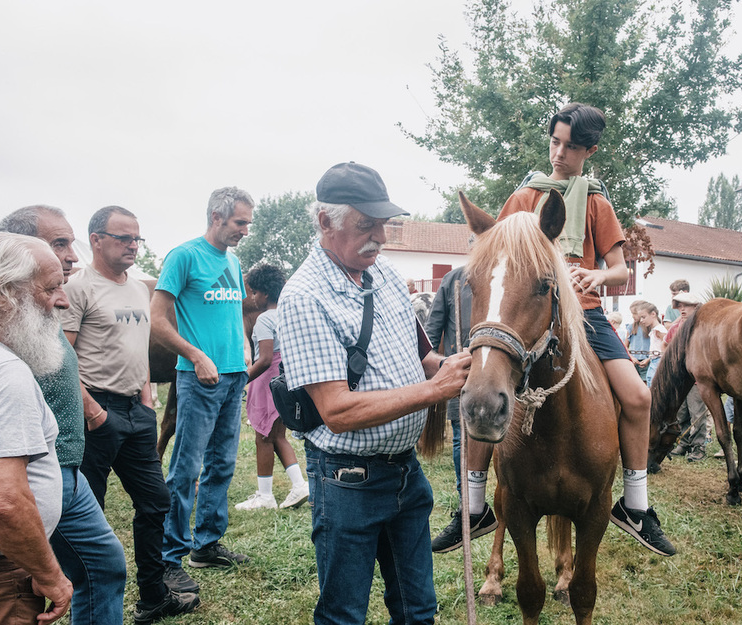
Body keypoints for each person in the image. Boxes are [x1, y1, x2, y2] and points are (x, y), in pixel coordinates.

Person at [434, 103, 676, 557]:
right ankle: (474, 506)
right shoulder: (523, 197)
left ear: (590, 151)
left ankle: (635, 505)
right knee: (481, 387)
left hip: (584, 313)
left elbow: (620, 269)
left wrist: (597, 275)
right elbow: (499, 256)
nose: (559, 153)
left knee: (638, 397)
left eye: (571, 147)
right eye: (555, 142)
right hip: (527, 312)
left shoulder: (598, 202)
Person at [277, 162, 471, 625]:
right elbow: (338, 411)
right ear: (325, 222)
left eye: (383, 224)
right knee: (344, 615)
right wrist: (434, 390)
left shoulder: (383, 274)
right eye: (367, 225)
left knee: (418, 610)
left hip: (405, 471)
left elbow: (422, 355)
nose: (380, 237)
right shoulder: (304, 296)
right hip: (347, 481)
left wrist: (459, 368)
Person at [61, 206, 200, 622]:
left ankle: (153, 596)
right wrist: (92, 411)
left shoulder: (140, 289)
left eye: (137, 239)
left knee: (156, 503)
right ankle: (84, 597)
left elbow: (137, 348)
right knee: (91, 510)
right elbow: (62, 357)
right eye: (123, 238)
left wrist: (146, 401)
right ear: (96, 239)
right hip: (95, 412)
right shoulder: (78, 287)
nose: (133, 246)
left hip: (135, 412)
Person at [0, 206, 128, 624]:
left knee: (103, 563)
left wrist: (91, 409)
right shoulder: (5, 321)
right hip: (34, 471)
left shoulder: (42, 306)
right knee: (37, 585)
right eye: (59, 244)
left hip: (65, 466)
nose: (71, 255)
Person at [151, 187, 253, 594]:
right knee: (186, 469)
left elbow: (234, 313)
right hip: (199, 379)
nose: (245, 230)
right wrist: (195, 356)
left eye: (248, 223)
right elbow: (157, 320)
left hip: (233, 376)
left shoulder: (233, 261)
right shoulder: (184, 256)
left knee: (222, 464)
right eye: (240, 222)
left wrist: (244, 351)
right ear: (216, 217)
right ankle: (169, 557)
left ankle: (206, 545)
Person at [0, 232, 73, 624]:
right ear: (3, 294)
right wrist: (50, 575)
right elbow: (2, 499)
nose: (63, 301)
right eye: (51, 288)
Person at [234, 263, 310, 511]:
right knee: (277, 436)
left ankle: (265, 496)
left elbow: (265, 359)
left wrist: (242, 379)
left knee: (263, 438)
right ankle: (299, 485)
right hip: (286, 380)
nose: (253, 297)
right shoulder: (288, 316)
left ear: (265, 293)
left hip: (266, 380)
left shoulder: (264, 319)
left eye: (255, 292)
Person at [424, 265, 472, 502]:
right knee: (462, 438)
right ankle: (468, 504)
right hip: (463, 373)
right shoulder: (454, 279)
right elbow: (431, 334)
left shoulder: (512, 273)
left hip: (500, 375)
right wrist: (432, 377)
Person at [664, 292, 712, 462]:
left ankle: (698, 447)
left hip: (696, 379)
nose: (682, 309)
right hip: (679, 378)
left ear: (696, 307)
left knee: (697, 414)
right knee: (681, 413)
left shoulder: (702, 328)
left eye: (687, 306)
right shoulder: (675, 328)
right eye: (680, 306)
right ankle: (684, 443)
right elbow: (665, 345)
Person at [639, 302, 667, 387]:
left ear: (653, 314)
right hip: (654, 360)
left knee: (653, 384)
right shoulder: (655, 330)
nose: (641, 320)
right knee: (650, 381)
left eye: (643, 317)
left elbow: (667, 346)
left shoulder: (659, 330)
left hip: (659, 361)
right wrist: (648, 359)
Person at [625, 299, 650, 382]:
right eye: (632, 313)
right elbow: (625, 346)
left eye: (635, 313)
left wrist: (648, 359)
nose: (633, 316)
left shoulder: (650, 328)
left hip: (647, 362)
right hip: (634, 362)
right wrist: (631, 357)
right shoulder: (630, 327)